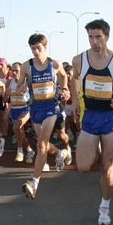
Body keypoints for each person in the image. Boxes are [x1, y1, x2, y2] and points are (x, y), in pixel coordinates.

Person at [70, 19, 113, 225]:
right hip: (90, 116)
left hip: (110, 118)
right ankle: (101, 148)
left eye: (98, 37)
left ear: (106, 37)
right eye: (90, 37)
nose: (94, 41)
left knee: (107, 167)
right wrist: (74, 100)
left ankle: (104, 207)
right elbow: (74, 78)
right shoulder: (79, 60)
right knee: (83, 166)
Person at [19, 33, 71, 199]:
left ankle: (34, 182)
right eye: (32, 48)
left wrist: (64, 89)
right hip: (36, 107)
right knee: (44, 144)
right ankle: (59, 154)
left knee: (41, 144)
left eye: (38, 48)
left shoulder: (54, 63)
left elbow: (63, 75)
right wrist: (21, 88)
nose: (35, 51)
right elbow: (20, 83)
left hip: (51, 106)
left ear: (45, 47)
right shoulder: (27, 66)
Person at [5, 62, 35, 162]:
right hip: (14, 109)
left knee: (16, 127)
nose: (13, 72)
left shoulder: (27, 82)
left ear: (21, 71)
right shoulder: (9, 82)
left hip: (26, 108)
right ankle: (29, 150)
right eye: (12, 70)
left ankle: (20, 151)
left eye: (16, 70)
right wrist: (7, 94)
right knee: (20, 133)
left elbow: (32, 96)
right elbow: (5, 99)